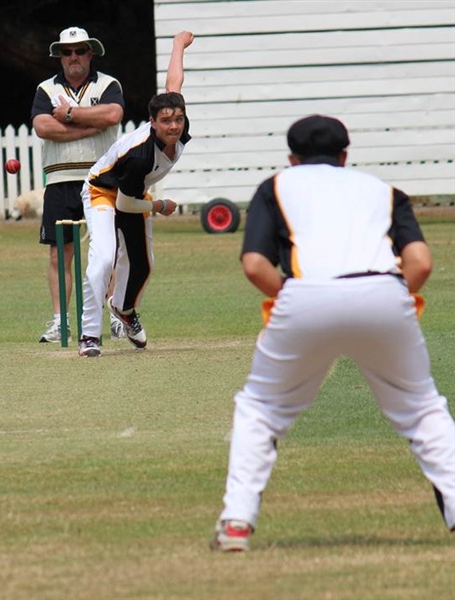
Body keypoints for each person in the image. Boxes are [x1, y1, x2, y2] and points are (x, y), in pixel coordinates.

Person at [210, 115, 455, 552]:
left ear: (291, 158)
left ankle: (236, 524)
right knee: (422, 410)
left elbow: (254, 264)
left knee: (261, 409)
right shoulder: (382, 190)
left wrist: (293, 297)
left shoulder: (275, 187)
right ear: (344, 156)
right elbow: (420, 262)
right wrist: (388, 299)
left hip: (306, 294)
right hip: (383, 290)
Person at [76, 31, 195, 358]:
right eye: (166, 121)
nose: (174, 126)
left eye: (178, 119)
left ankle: (124, 309)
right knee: (104, 258)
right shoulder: (139, 154)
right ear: (152, 123)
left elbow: (173, 85)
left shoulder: (178, 125)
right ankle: (89, 334)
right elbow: (125, 203)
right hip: (103, 191)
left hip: (132, 192)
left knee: (143, 264)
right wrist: (160, 205)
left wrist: (178, 45)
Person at [31, 26, 125, 344]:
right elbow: (43, 127)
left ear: (90, 53)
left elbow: (112, 115)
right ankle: (61, 322)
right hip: (60, 179)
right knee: (61, 253)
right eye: (67, 51)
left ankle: (115, 316)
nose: (74, 57)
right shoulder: (46, 89)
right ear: (59, 56)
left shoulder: (108, 84)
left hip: (101, 178)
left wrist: (69, 113)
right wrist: (87, 126)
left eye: (80, 50)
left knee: (108, 251)